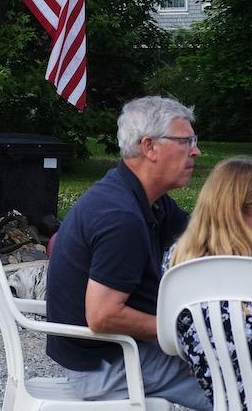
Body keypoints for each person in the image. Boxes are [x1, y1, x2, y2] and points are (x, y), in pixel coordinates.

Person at [45, 96, 212, 410]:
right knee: (236, 374)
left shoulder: (145, 198)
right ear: (149, 147)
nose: (196, 151)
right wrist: (187, 339)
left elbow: (204, 243)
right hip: (105, 365)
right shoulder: (121, 216)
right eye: (185, 141)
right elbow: (103, 315)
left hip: (113, 351)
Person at [161, 157, 252, 408]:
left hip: (223, 398)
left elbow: (171, 340)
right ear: (244, 211)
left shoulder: (177, 262)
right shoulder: (245, 270)